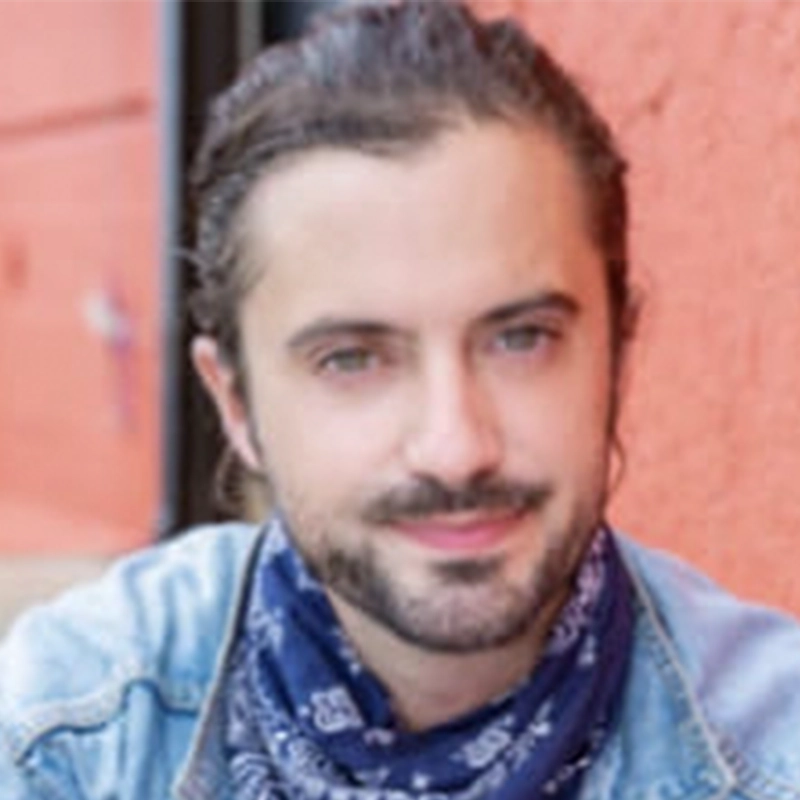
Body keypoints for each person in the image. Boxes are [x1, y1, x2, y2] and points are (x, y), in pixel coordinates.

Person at [2, 2, 798, 798]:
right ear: (235, 403)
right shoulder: (71, 739)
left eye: (520, 339)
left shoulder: (775, 748)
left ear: (617, 352)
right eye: (353, 359)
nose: (455, 446)